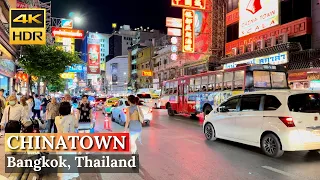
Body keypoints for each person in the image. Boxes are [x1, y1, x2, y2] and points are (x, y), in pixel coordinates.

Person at [55, 102, 79, 179]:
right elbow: (76, 125)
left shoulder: (57, 118)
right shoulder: (71, 118)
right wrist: (76, 115)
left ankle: (62, 177)